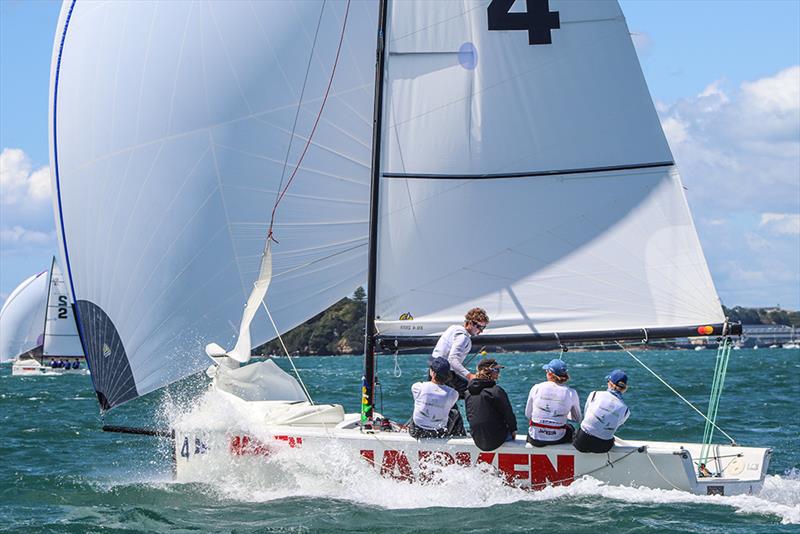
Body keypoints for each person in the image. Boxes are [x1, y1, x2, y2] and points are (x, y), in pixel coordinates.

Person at [428, 307, 490, 436]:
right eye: (480, 327)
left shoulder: (453, 328)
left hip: (437, 371)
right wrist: (470, 375)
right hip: (443, 375)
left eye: (483, 328)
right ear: (471, 323)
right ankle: (458, 434)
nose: (481, 331)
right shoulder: (463, 337)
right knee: (472, 392)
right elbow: (453, 359)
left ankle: (453, 431)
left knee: (463, 395)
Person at [524, 358, 581, 447]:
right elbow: (577, 419)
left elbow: (528, 414)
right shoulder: (571, 392)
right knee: (571, 428)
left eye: (546, 371)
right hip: (558, 438)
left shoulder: (536, 388)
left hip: (535, 438)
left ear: (550, 374)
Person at [465, 358, 517, 451]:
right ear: (487, 372)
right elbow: (508, 414)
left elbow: (470, 417)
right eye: (496, 370)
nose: (498, 373)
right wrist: (513, 430)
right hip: (496, 440)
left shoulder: (468, 392)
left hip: (477, 439)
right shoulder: (497, 391)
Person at [573, 369, 630, 453]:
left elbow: (586, 415)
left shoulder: (595, 394)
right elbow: (616, 425)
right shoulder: (626, 410)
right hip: (602, 447)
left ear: (610, 383)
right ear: (624, 388)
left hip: (581, 442)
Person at [409, 357, 460, 439]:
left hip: (417, 431)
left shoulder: (417, 387)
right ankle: (457, 435)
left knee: (418, 405)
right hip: (438, 433)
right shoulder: (453, 393)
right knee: (454, 412)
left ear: (432, 372)